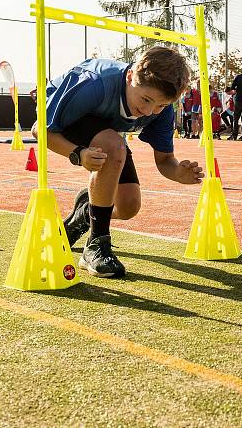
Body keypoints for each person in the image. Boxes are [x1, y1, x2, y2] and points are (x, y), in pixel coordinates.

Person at [35, 46, 203, 278]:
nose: (148, 111)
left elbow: (165, 160)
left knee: (128, 206)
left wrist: (177, 173)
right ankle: (96, 245)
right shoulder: (94, 84)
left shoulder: (159, 108)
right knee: (114, 147)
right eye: (145, 99)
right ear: (130, 76)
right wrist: (78, 154)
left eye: (160, 105)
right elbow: (41, 130)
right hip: (66, 119)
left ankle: (85, 212)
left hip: (107, 132)